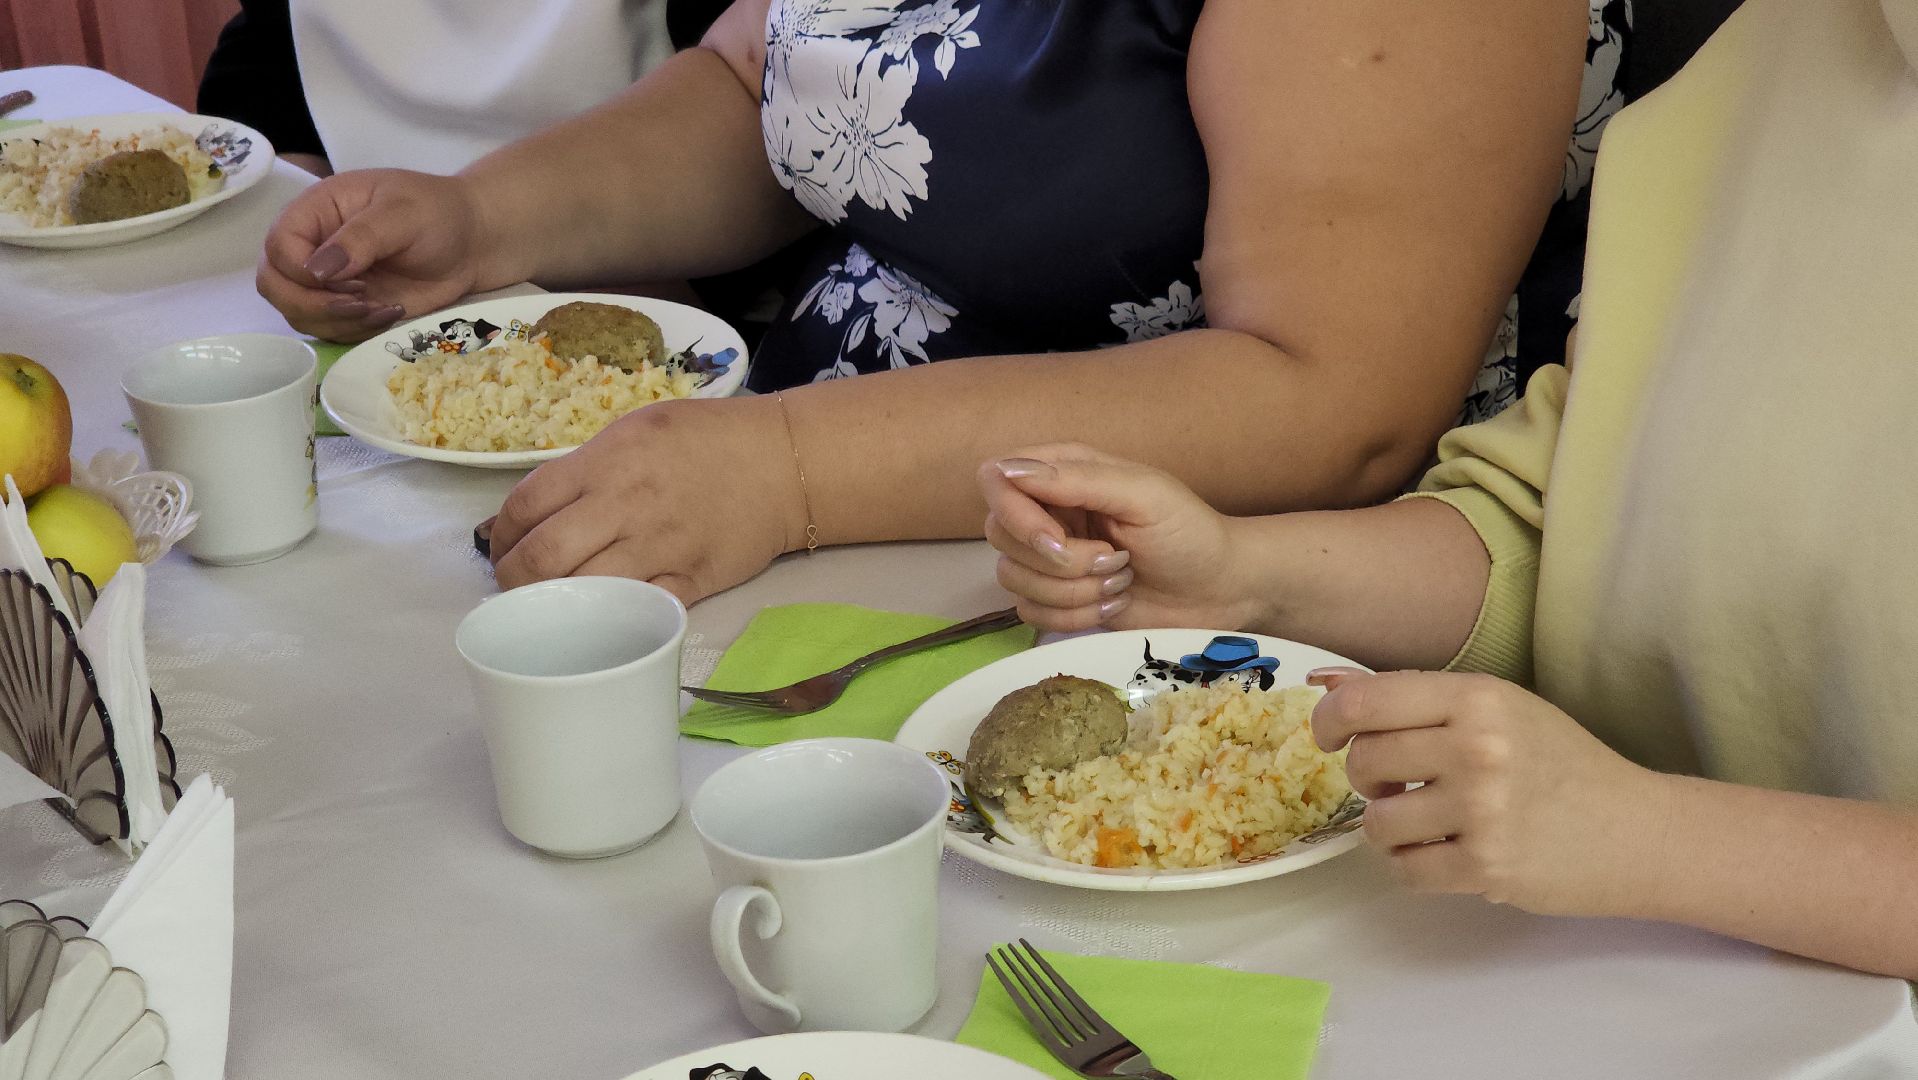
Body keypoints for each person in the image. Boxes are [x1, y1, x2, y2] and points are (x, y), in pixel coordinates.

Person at [978, 0, 1918, 978]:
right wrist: (1246, 577)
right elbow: (1564, 521)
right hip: (1620, 957)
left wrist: (1653, 834)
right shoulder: (1795, 41)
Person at [260, 0, 1621, 605]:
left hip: (1177, 604)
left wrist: (783, 473)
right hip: (814, 523)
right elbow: (766, 89)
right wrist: (488, 219)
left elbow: (1335, 401)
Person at [199, 0, 728, 177]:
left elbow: (746, 91)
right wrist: (296, 192)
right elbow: (268, 51)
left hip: (645, 240)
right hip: (373, 245)